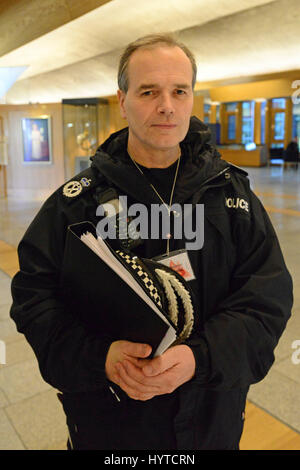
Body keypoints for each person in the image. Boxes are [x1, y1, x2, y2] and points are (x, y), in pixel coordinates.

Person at [10, 34, 293, 451]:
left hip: (211, 420)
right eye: (149, 91)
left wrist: (201, 357)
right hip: (111, 424)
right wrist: (99, 357)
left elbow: (266, 300)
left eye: (180, 91)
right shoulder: (77, 204)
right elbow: (34, 298)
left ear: (192, 97)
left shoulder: (231, 197)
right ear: (122, 100)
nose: (167, 105)